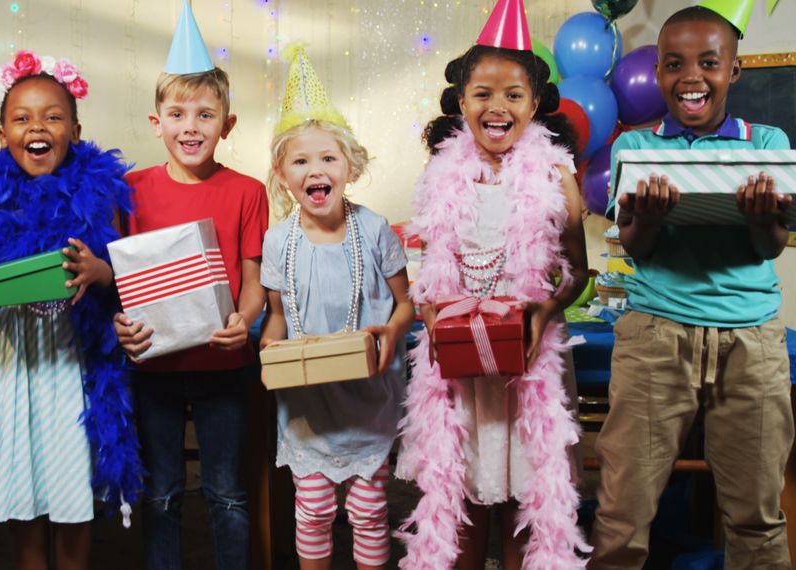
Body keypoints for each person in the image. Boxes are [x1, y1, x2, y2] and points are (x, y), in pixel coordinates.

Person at [589, 5, 794, 569]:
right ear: (657, 73)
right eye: (674, 64)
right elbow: (636, 245)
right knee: (623, 510)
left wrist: (760, 216)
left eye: (709, 62)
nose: (691, 76)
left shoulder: (767, 141)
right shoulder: (636, 149)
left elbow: (770, 246)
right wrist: (649, 217)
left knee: (756, 513)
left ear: (735, 70)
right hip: (656, 338)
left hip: (751, 342)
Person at [395, 0, 590, 567]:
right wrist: (436, 322)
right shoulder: (440, 175)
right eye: (483, 93)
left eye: (513, 95)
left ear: (534, 105)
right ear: (462, 102)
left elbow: (577, 271)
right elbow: (428, 275)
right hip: (458, 368)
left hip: (528, 364)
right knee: (461, 496)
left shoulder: (557, 176)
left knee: (530, 497)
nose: (497, 106)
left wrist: (543, 313)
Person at [0, 50, 142, 570]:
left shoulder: (100, 190)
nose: (37, 127)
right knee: (21, 478)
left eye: (53, 116)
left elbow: (124, 271)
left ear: (76, 131)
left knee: (70, 482)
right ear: (1, 135)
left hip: (70, 356)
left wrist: (98, 272)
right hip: (12, 355)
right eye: (22, 118)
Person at [111, 2, 269, 568]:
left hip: (222, 364)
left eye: (205, 115)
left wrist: (243, 322)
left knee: (227, 491)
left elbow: (253, 282)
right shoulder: (128, 188)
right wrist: (119, 324)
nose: (190, 127)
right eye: (177, 114)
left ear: (227, 125)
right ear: (157, 122)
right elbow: (116, 282)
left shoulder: (248, 192)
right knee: (160, 492)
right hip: (152, 364)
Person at [258, 45, 414, 570]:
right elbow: (277, 316)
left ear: (350, 167)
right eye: (301, 160)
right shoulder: (278, 242)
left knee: (370, 513)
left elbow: (405, 302)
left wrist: (392, 334)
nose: (316, 169)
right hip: (307, 406)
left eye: (328, 158)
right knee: (314, 510)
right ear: (283, 175)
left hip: (367, 398)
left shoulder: (372, 230)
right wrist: (269, 348)